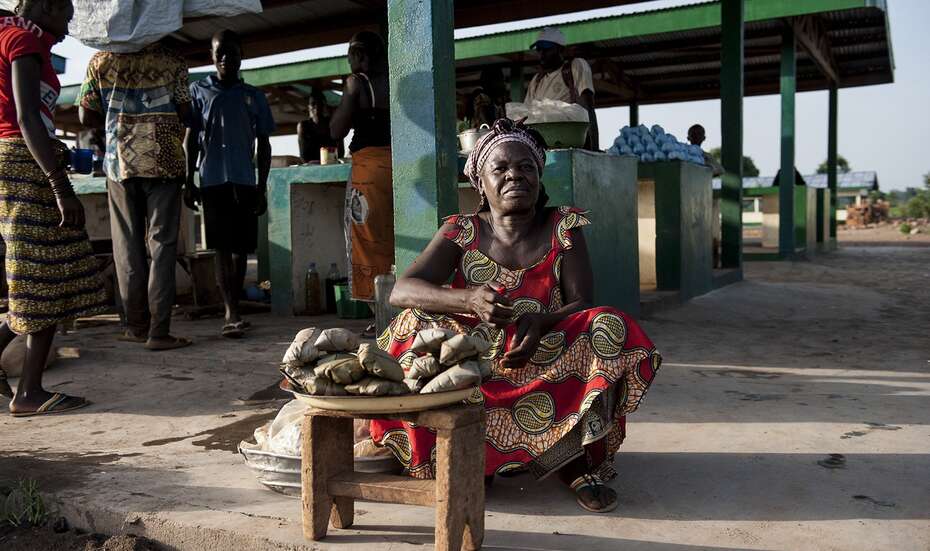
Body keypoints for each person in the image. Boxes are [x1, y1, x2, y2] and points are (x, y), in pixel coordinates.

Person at [370, 118, 661, 513]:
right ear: (480, 183)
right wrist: (469, 299)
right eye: (500, 168)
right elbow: (404, 290)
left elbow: (582, 302)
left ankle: (571, 460)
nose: (515, 176)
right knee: (413, 324)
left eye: (526, 166)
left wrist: (542, 322)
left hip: (543, 351)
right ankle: (469, 454)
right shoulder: (462, 230)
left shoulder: (564, 226)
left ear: (540, 176)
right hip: (473, 360)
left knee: (607, 325)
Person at [0, 0, 109, 415]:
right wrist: (60, 185)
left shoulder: (11, 36)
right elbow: (26, 119)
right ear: (44, 6)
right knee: (44, 275)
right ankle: (28, 393)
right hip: (23, 165)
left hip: (19, 159)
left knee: (38, 272)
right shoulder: (22, 39)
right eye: (65, 14)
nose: (68, 26)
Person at [78, 38, 192, 351]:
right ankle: (159, 332)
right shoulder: (173, 60)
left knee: (127, 247)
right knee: (162, 247)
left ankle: (136, 327)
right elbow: (185, 110)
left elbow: (85, 116)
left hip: (119, 162)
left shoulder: (101, 60)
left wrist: (117, 116)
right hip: (164, 162)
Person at [184, 30, 274, 339]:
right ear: (212, 56)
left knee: (241, 250)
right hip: (211, 179)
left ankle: (234, 304)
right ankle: (230, 310)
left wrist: (262, 186)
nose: (225, 58)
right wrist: (188, 180)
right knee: (221, 248)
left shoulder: (254, 97)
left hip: (245, 180)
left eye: (232, 52)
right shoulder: (198, 91)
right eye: (219, 52)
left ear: (240, 56)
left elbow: (264, 145)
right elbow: (191, 140)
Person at [330, 31, 392, 324]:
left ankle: (380, 315)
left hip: (368, 171)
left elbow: (336, 130)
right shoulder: (395, 81)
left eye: (351, 55)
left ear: (361, 56)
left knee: (366, 242)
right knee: (391, 239)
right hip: (396, 167)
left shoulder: (357, 83)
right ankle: (399, 310)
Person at [524, 27, 599, 151]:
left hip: (568, 147)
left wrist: (593, 150)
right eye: (539, 50)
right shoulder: (536, 81)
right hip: (541, 150)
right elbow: (526, 116)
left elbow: (587, 109)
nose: (542, 54)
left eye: (547, 49)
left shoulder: (575, 67)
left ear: (560, 49)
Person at [297, 89, 342, 163]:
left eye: (320, 103)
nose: (317, 107)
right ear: (309, 107)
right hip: (311, 166)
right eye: (313, 104)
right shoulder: (304, 126)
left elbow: (340, 151)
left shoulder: (333, 124)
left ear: (325, 106)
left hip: (332, 163)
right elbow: (303, 156)